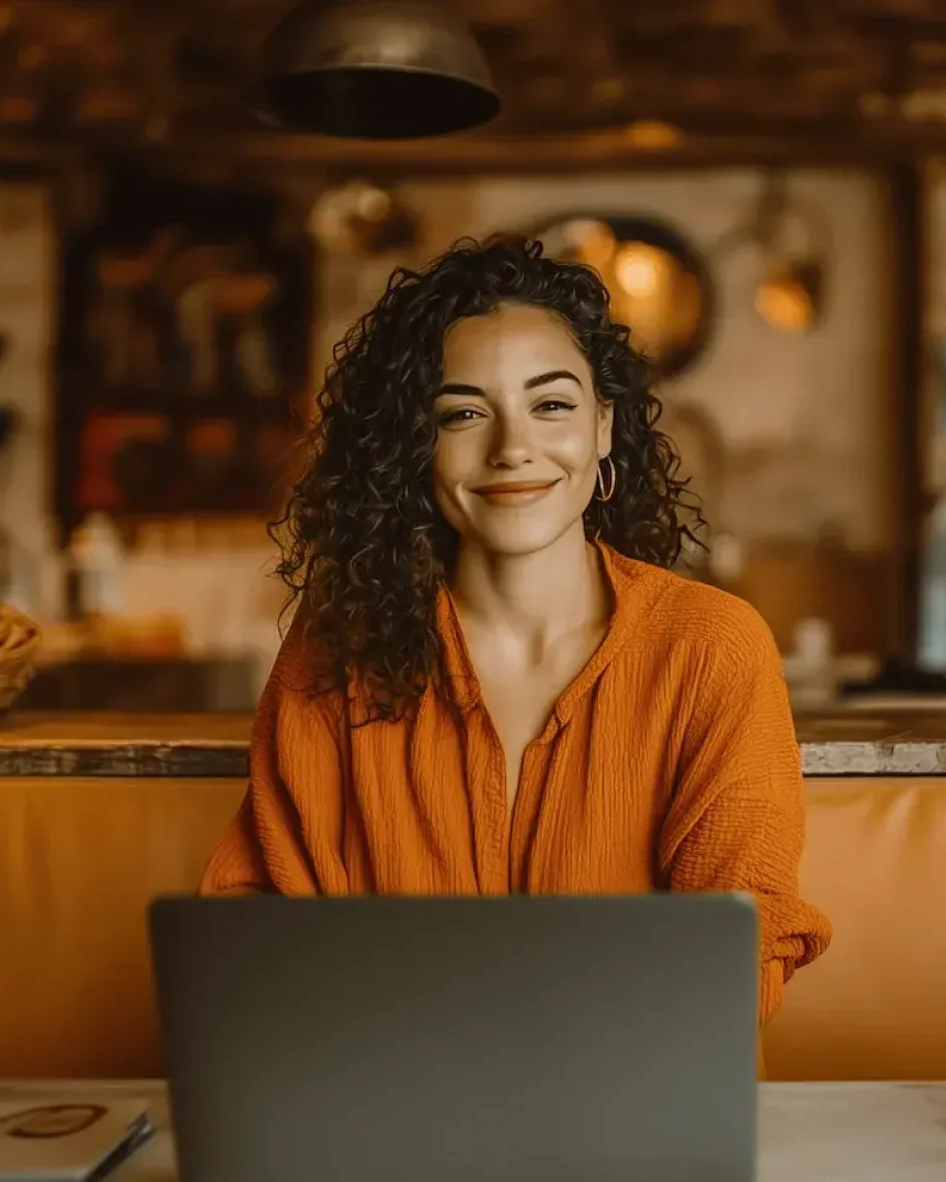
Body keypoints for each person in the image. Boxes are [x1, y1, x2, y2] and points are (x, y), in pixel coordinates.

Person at [201, 236, 831, 1030]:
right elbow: (256, 930)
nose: (512, 449)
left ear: (604, 428)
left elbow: (740, 940)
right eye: (464, 413)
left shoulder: (709, 648)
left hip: (634, 1119)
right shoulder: (338, 651)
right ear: (416, 447)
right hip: (393, 1118)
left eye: (552, 404)